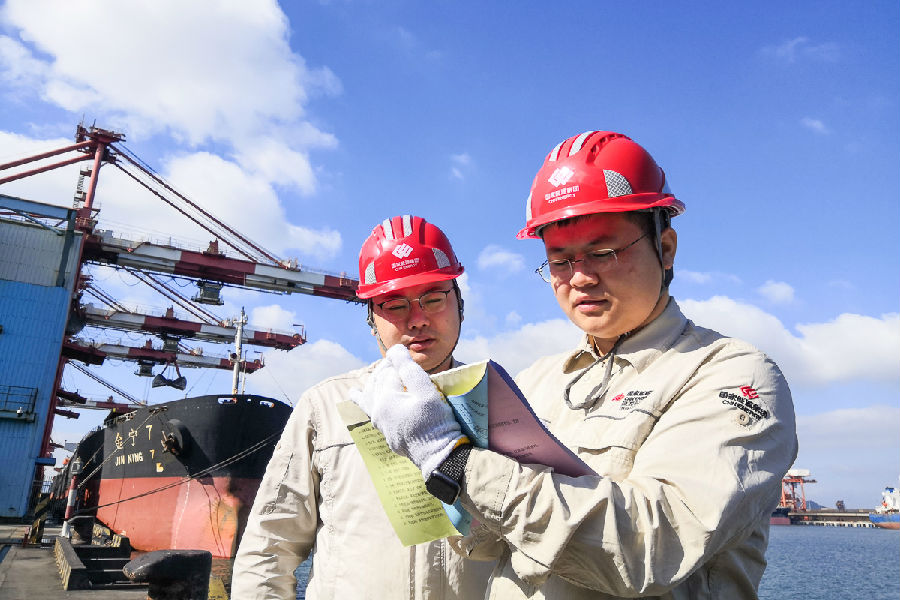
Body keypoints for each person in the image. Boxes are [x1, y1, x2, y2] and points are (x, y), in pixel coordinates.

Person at [354, 131, 799, 599]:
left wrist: (452, 458)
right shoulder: (534, 381)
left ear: (665, 248)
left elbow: (649, 549)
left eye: (603, 252)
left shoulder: (732, 375)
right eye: (560, 260)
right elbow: (486, 544)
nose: (581, 277)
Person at [231, 215, 495, 599]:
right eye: (394, 304)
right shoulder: (325, 407)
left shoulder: (502, 403)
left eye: (434, 298)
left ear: (460, 305)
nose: (418, 319)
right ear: (371, 318)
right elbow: (270, 546)